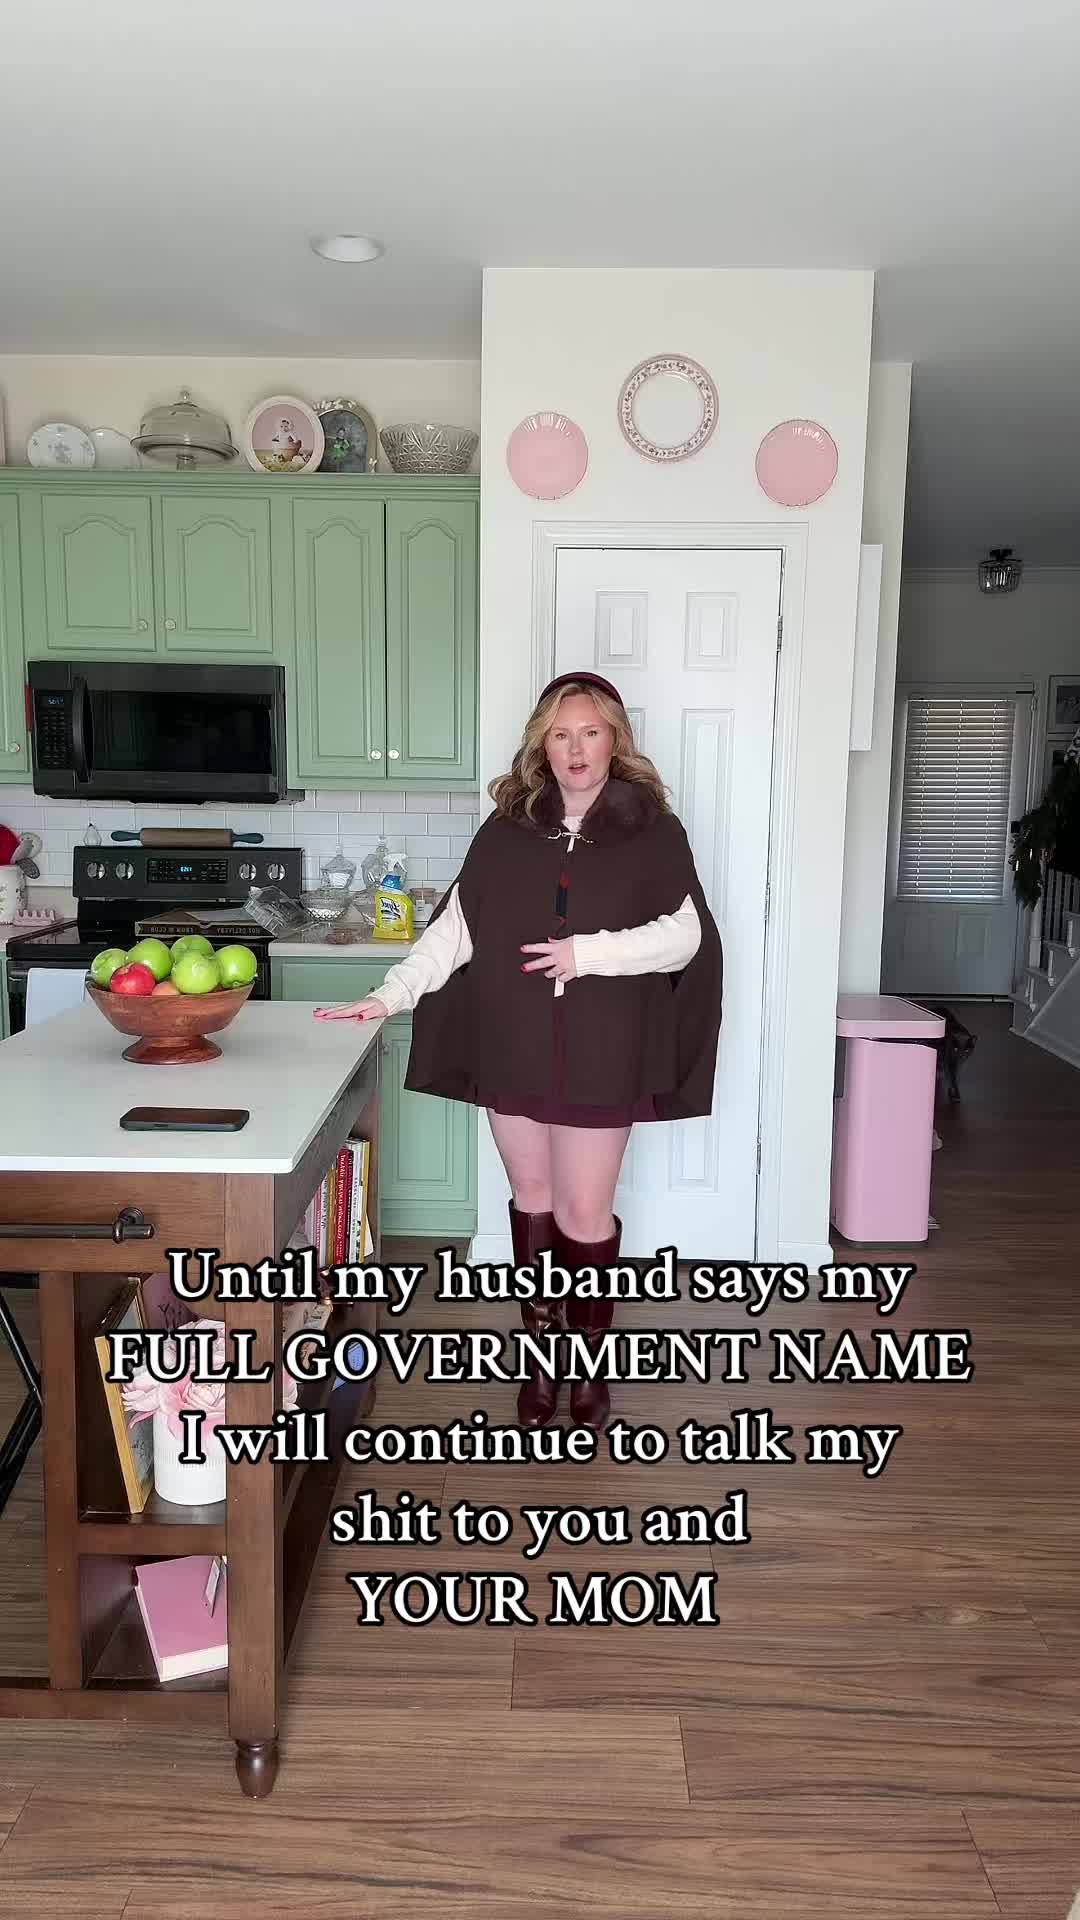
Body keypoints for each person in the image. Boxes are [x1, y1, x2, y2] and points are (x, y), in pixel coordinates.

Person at [314, 671, 723, 1431]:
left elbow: (684, 936)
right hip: (515, 1045)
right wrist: (388, 995)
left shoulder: (654, 830)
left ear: (614, 740)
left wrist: (586, 955)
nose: (576, 748)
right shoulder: (506, 831)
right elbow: (454, 931)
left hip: (605, 1049)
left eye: (591, 732)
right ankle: (542, 1361)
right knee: (532, 1203)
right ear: (543, 743)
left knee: (584, 1212)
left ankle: (589, 1369)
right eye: (561, 734)